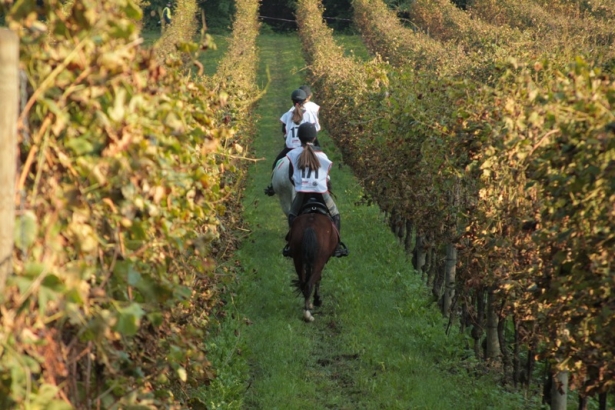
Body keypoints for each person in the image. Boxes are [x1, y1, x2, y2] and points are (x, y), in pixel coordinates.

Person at [282, 122, 349, 258]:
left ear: (299, 137)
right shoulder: (322, 156)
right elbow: (326, 178)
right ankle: (336, 247)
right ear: (314, 138)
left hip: (302, 193)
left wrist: (302, 185)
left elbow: (291, 176)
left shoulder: (293, 154)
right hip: (321, 193)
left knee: (292, 215)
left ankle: (291, 245)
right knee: (335, 214)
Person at [264, 88, 318, 196]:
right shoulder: (309, 114)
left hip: (290, 148)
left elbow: (284, 131)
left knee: (276, 163)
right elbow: (314, 131)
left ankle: (272, 187)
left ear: (292, 101)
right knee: (322, 160)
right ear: (305, 100)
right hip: (306, 146)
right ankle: (326, 182)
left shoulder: (287, 115)